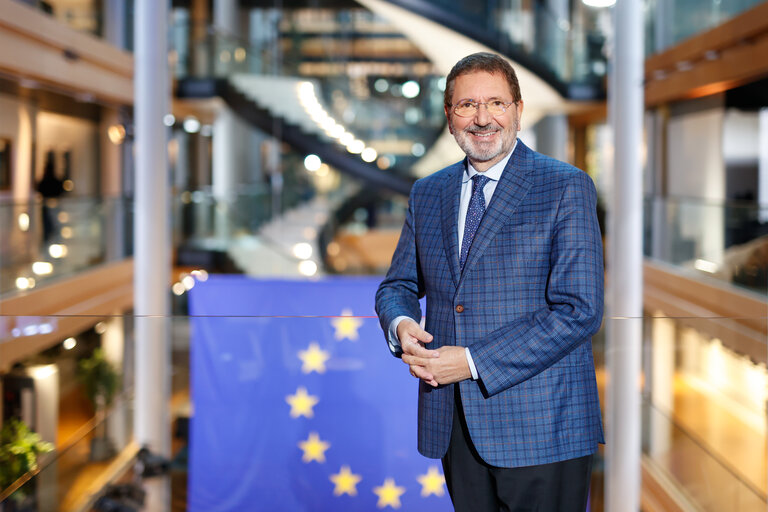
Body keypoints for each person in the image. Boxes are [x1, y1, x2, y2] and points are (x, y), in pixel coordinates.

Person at [375, 52, 604, 511]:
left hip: (543, 427)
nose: (482, 118)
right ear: (449, 115)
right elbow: (397, 284)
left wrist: (472, 361)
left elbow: (579, 310)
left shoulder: (565, 186)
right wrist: (401, 325)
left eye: (496, 103)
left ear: (518, 110)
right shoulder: (428, 191)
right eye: (467, 106)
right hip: (455, 424)